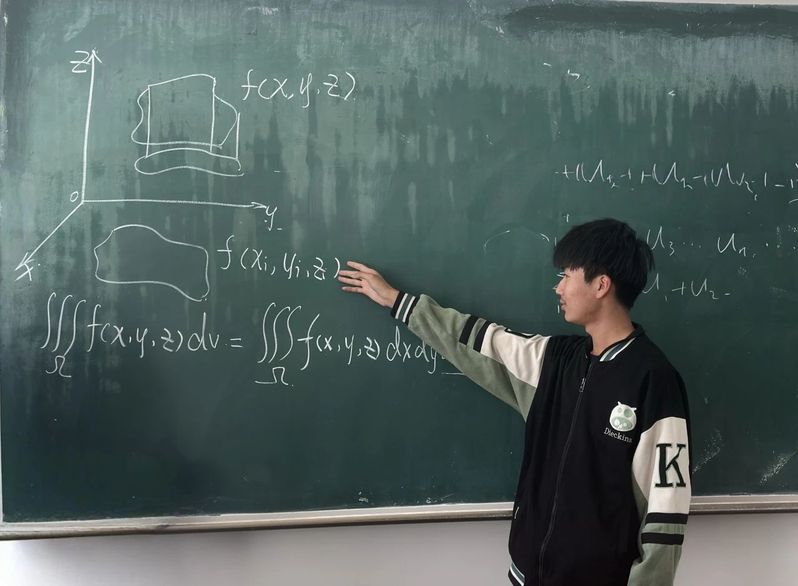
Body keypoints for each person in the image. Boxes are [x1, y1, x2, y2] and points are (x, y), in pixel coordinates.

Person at [338, 218, 691, 586]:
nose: (558, 287)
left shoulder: (653, 380)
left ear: (601, 285)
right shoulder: (553, 361)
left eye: (567, 275)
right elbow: (479, 339)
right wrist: (397, 301)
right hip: (528, 575)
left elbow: (666, 508)